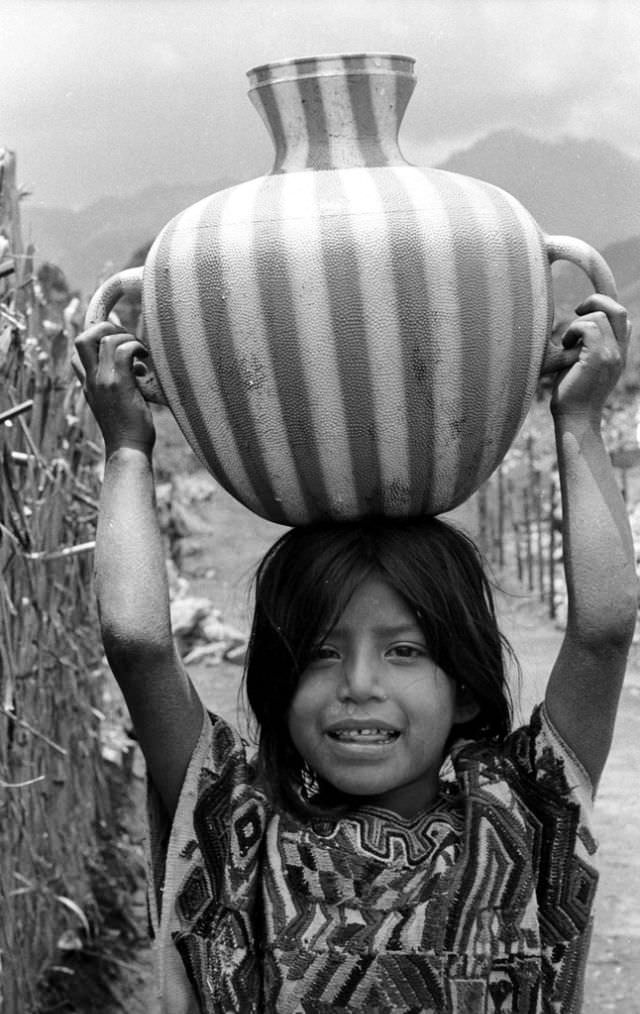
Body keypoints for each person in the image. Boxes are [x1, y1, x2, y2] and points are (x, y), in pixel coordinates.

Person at [73, 294, 637, 1013]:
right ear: (279, 685)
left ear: (463, 686)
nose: (359, 684)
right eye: (319, 654)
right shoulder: (242, 825)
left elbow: (603, 632)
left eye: (404, 650)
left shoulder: (522, 812)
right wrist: (127, 449)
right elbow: (139, 645)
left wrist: (578, 419)